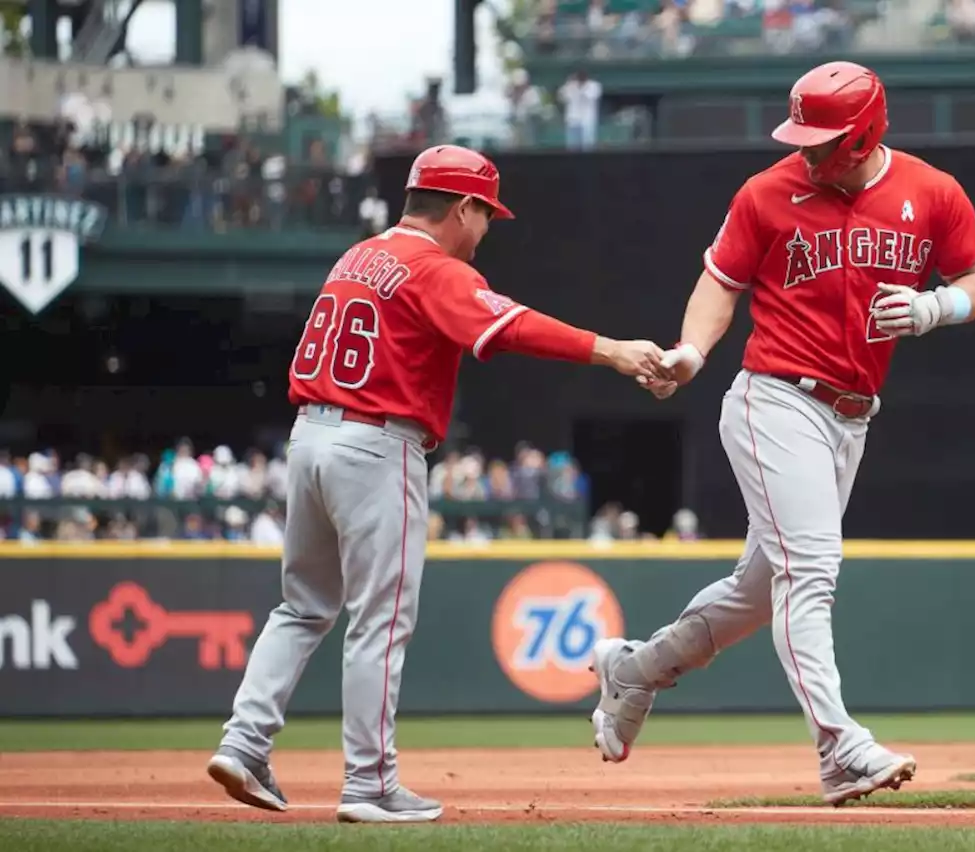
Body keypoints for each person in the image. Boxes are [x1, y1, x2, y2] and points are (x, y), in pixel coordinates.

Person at [207, 144, 669, 823]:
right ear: (462, 207)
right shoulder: (432, 266)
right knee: (380, 622)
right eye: (486, 215)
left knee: (302, 607)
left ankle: (244, 742)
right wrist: (613, 350)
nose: (486, 231)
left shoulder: (357, 256)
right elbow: (511, 326)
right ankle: (368, 783)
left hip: (309, 437)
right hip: (375, 444)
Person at [588, 62, 975, 806]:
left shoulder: (930, 190)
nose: (807, 154)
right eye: (802, 138)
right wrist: (691, 353)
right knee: (811, 572)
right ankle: (839, 747)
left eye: (824, 141)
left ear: (868, 131)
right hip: (773, 399)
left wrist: (935, 308)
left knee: (756, 594)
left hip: (851, 419)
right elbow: (721, 280)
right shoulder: (767, 191)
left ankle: (633, 670)